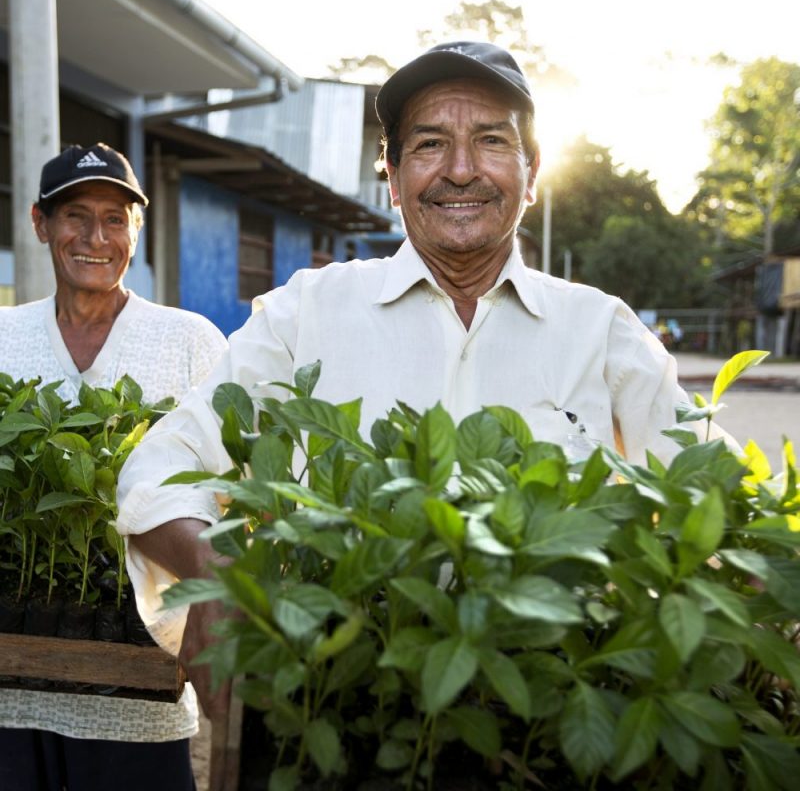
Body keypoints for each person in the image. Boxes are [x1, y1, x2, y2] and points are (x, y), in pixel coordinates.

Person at [115, 42, 718, 717]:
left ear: (532, 171)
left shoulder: (600, 330)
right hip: (337, 700)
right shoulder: (307, 313)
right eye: (430, 144)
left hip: (544, 715)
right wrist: (216, 572)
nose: (461, 170)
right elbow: (157, 471)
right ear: (393, 179)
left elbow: (711, 497)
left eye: (491, 140)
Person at [0, 143, 227, 791]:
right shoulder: (5, 336)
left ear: (136, 230)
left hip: (143, 694)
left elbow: (233, 487)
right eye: (75, 215)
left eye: (114, 219)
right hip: (10, 697)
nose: (96, 238)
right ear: (41, 224)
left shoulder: (189, 341)